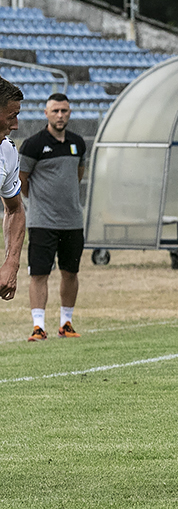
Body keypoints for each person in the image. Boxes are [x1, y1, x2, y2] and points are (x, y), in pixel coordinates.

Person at [19, 93, 87, 341]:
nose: (60, 115)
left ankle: (66, 323)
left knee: (70, 272)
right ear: (46, 113)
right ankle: (38, 326)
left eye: (64, 111)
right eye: (55, 111)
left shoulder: (78, 143)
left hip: (72, 221)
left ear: (70, 113)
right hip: (42, 222)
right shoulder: (33, 145)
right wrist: (39, 203)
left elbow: (78, 174)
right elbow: (22, 180)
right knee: (39, 273)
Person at [0, 79, 26, 305]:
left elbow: (15, 209)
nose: (16, 125)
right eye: (12, 116)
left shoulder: (7, 151)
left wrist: (12, 262)